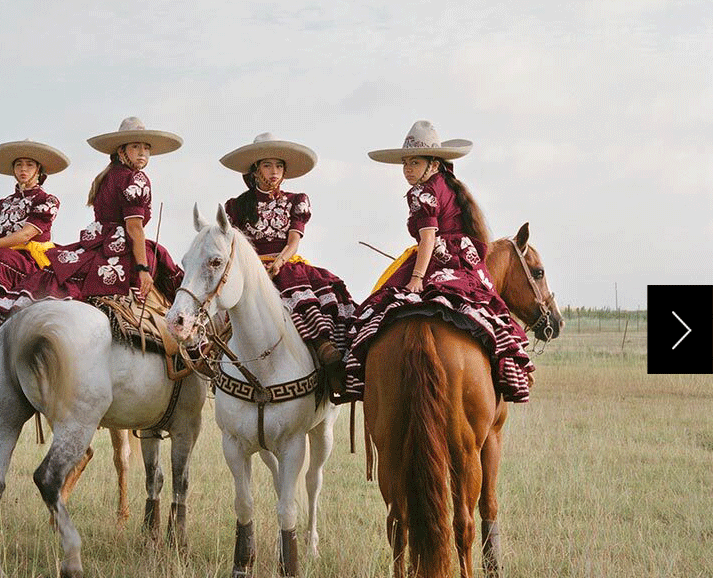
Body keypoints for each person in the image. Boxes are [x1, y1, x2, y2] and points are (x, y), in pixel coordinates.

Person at [345, 120, 534, 402]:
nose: (408, 169)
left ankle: (354, 375)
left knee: (377, 309)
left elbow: (429, 239)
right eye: (405, 162)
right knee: (487, 308)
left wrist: (417, 277)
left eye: (415, 162)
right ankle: (513, 370)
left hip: (438, 259)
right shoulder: (448, 184)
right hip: (467, 261)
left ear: (433, 163)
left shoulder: (422, 193)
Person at [220, 133, 356, 395]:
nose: (274, 172)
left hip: (285, 265)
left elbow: (294, 240)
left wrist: (280, 261)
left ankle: (325, 355)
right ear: (255, 169)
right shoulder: (236, 206)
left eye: (279, 166)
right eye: (268, 165)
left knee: (305, 305)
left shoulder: (297, 200)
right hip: (251, 271)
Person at [41, 117, 184, 302]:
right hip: (122, 244)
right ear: (121, 150)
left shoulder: (106, 176)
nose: (142, 152)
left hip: (97, 243)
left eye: (146, 148)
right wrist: (143, 268)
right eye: (135, 146)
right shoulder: (136, 178)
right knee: (161, 264)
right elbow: (134, 228)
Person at [0, 139, 70, 336]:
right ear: (13, 169)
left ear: (39, 170)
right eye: (19, 164)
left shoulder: (47, 200)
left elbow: (26, 234)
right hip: (3, 255)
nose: (24, 169)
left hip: (32, 258)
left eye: (29, 164)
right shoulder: (2, 204)